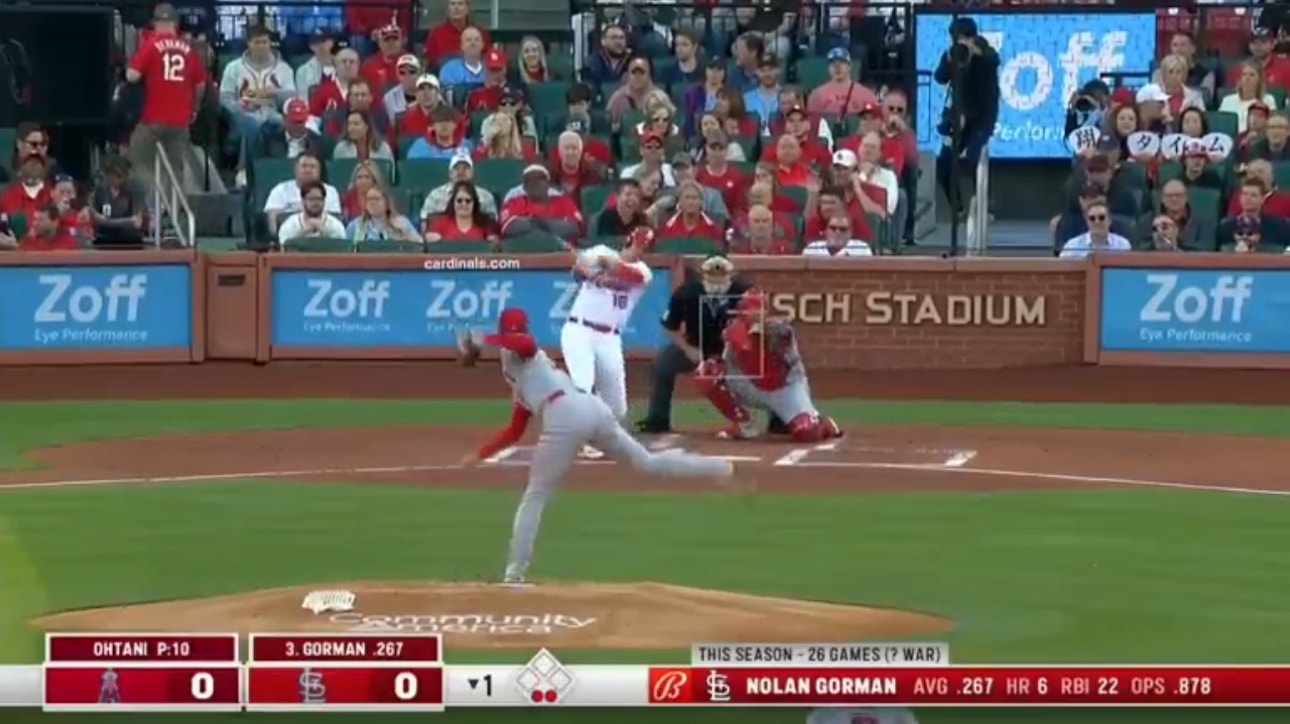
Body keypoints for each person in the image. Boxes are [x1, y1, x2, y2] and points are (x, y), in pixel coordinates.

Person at [460, 307, 735, 584]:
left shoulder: (523, 353)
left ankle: (514, 575)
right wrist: (480, 454)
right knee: (647, 462)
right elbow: (514, 430)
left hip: (565, 414)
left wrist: (486, 340)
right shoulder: (522, 378)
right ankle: (719, 468)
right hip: (592, 408)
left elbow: (524, 343)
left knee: (536, 495)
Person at [695, 289, 844, 442]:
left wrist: (755, 337)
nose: (753, 315)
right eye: (748, 310)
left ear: (765, 312)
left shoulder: (780, 329)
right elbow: (726, 361)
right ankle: (744, 425)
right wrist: (731, 340)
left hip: (785, 389)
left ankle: (823, 423)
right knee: (706, 373)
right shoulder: (734, 330)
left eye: (758, 310)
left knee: (805, 432)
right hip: (749, 384)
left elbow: (775, 344)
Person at [560, 226, 657, 458]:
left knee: (618, 407)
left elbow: (626, 273)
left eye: (646, 247)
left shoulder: (644, 272)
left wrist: (605, 264)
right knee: (583, 384)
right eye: (638, 244)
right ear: (629, 241)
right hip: (579, 330)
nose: (640, 250)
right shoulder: (599, 251)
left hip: (609, 338)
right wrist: (586, 269)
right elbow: (576, 274)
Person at [126, 3, 207, 188]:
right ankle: (173, 210)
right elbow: (201, 84)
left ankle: (150, 204)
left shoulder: (152, 45)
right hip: (180, 119)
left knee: (138, 156)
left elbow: (132, 76)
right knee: (175, 167)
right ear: (175, 24)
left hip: (153, 117)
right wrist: (195, 109)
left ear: (155, 23)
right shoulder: (188, 50)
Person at [933, 17, 999, 221]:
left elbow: (994, 60)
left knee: (974, 157)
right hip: (959, 116)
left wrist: (974, 52)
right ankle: (958, 208)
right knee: (943, 164)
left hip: (983, 116)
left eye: (964, 38)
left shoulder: (984, 49)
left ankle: (984, 207)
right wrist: (950, 58)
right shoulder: (952, 52)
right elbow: (940, 77)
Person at [219, 24, 295, 158]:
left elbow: (292, 97)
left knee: (291, 125)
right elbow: (224, 98)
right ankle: (244, 170)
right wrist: (240, 106)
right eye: (257, 42)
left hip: (273, 114)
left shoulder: (284, 68)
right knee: (251, 125)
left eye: (265, 42)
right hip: (242, 115)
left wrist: (274, 93)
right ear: (249, 43)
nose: (261, 46)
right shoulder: (233, 68)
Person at [263, 153, 341, 233]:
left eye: (312, 167)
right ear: (295, 169)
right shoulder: (280, 190)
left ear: (319, 171)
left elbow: (335, 220)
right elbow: (273, 221)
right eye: (304, 166)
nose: (308, 170)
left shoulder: (331, 191)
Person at [499, 165, 584, 238]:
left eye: (540, 179)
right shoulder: (514, 202)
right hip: (523, 251)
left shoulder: (563, 201)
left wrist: (534, 223)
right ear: (524, 187)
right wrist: (547, 224)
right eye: (530, 180)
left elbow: (573, 228)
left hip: (560, 251)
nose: (536, 183)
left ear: (548, 184)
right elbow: (510, 228)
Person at [89, 156, 148, 248]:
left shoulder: (135, 188)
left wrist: (106, 221)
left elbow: (137, 223)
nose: (114, 180)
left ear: (125, 176)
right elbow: (95, 218)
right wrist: (126, 221)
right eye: (110, 176)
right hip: (105, 238)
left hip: (130, 240)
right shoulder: (101, 190)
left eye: (119, 176)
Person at [421, 153, 499, 219]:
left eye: (465, 168)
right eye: (456, 168)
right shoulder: (435, 195)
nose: (461, 172)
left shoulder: (485, 196)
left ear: (472, 173)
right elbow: (424, 221)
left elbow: (492, 225)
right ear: (450, 174)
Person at [807, 47, 877, 117]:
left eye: (842, 63)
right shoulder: (816, 95)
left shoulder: (867, 95)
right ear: (828, 68)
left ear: (850, 66)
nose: (837, 67)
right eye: (833, 64)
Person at [424, 0, 492, 67]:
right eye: (453, 4)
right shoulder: (436, 33)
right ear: (448, 9)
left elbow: (488, 59)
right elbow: (429, 62)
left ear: (467, 8)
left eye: (460, 4)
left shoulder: (479, 33)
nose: (456, 7)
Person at [425, 181, 497, 243]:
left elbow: (494, 244)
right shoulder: (440, 222)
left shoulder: (485, 224)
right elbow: (429, 239)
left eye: (468, 201)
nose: (463, 204)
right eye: (459, 200)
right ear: (453, 202)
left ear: (474, 203)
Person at [278, 179, 347, 244]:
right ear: (303, 200)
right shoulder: (290, 225)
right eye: (311, 199)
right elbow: (284, 249)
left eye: (319, 199)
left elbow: (342, 250)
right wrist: (301, 234)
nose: (315, 203)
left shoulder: (335, 226)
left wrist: (326, 232)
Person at [1219, 60, 1279, 133]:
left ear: (1259, 79)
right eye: (1244, 74)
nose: (1247, 78)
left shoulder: (1268, 99)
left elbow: (1271, 126)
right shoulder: (1227, 100)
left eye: (1252, 75)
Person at [345, 187, 421, 245]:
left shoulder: (402, 223)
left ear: (386, 201)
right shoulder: (355, 225)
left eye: (376, 199)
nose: (372, 203)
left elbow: (419, 246)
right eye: (369, 199)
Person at [1058, 201, 1132, 258]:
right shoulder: (1072, 246)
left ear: (1109, 220)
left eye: (1101, 218)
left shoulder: (1122, 245)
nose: (1097, 222)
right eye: (1092, 218)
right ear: (1087, 222)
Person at [802, 214, 873, 257]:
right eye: (833, 228)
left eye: (843, 229)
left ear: (850, 233)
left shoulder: (861, 248)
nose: (837, 232)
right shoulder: (812, 249)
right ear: (826, 231)